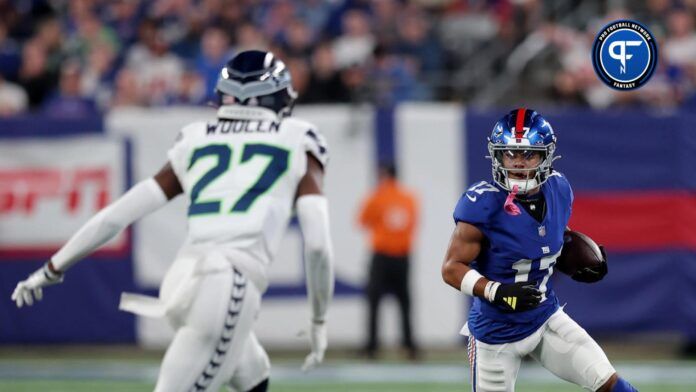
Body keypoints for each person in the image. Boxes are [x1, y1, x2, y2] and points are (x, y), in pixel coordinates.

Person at [12, 50, 334, 392]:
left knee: (253, 376)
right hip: (228, 283)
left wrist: (52, 267)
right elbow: (317, 244)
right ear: (278, 96)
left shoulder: (196, 138)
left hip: (183, 280)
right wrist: (318, 319)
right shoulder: (297, 137)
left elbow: (116, 215)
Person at [441, 108, 637, 392]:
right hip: (495, 334)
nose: (518, 163)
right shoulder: (482, 203)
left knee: (612, 385)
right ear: (498, 156)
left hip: (545, 318)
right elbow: (451, 269)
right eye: (510, 154)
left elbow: (547, 235)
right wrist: (498, 291)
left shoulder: (558, 188)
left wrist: (576, 257)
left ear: (545, 156)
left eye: (528, 154)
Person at [358, 163, 419, 359]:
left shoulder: (377, 196)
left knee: (374, 302)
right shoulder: (409, 198)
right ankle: (409, 347)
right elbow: (413, 224)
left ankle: (372, 347)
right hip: (402, 256)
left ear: (384, 175)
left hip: (382, 256)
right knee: (405, 302)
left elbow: (362, 221)